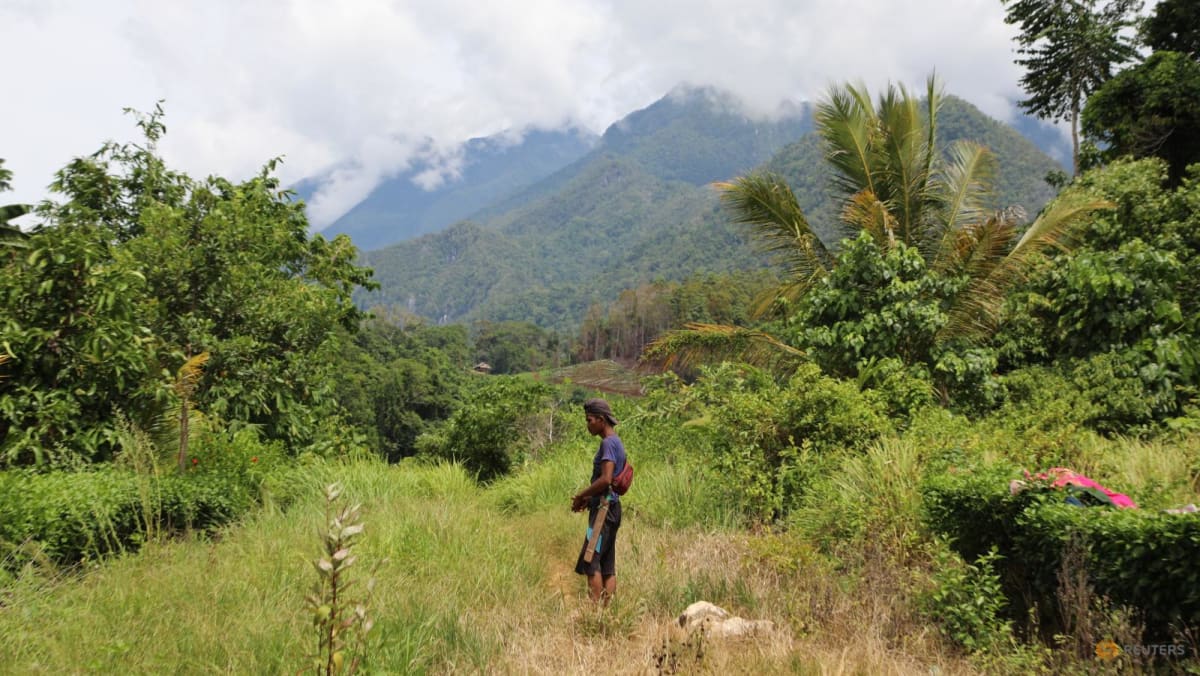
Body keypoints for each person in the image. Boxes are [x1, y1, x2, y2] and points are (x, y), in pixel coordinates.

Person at [571, 398, 626, 604]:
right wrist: (589, 498)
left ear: (601, 420)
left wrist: (581, 495)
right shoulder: (616, 442)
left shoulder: (607, 443)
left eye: (590, 420)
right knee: (607, 563)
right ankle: (607, 612)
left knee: (591, 560)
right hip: (611, 507)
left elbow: (606, 479)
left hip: (604, 510)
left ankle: (595, 613)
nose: (588, 425)